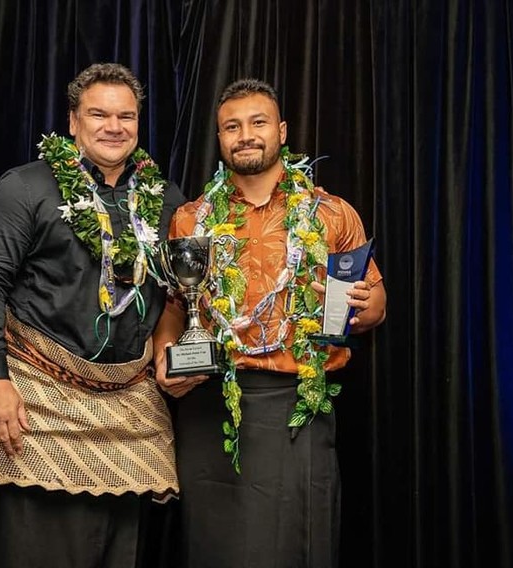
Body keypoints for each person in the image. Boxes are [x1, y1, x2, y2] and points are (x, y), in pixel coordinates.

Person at [0, 62, 185, 568]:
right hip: (37, 401)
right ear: (73, 121)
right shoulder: (27, 187)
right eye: (98, 114)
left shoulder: (165, 200)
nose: (114, 126)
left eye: (126, 116)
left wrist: (172, 345)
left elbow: (181, 293)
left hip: (128, 410)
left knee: (114, 550)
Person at [153, 78, 387, 568]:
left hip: (295, 405)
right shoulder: (190, 221)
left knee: (295, 543)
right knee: (215, 548)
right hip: (211, 402)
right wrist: (164, 354)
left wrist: (364, 307)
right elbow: (177, 305)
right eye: (231, 127)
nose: (245, 135)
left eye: (257, 123)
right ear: (219, 140)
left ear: (281, 131)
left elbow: (374, 301)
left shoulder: (330, 213)